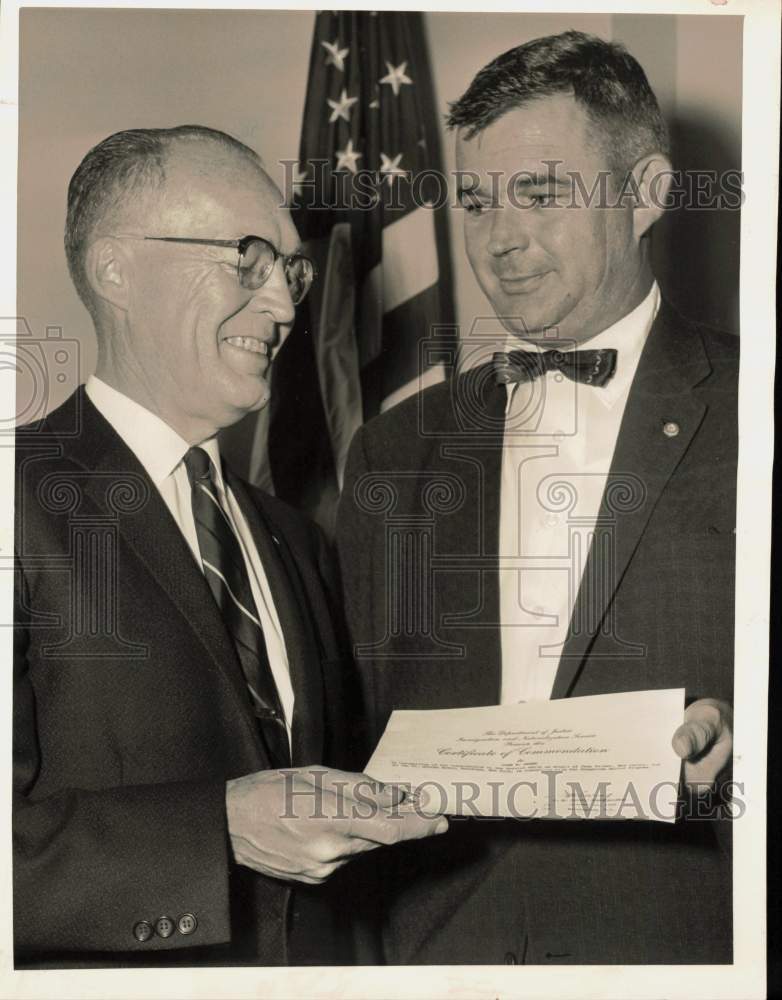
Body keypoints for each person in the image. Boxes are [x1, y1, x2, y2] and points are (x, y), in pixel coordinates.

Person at [337, 31, 736, 965]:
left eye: (543, 194)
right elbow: (354, 724)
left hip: (685, 942)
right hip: (440, 952)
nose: (499, 239)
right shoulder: (392, 449)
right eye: (476, 201)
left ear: (646, 195)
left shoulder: (756, 409)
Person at [13, 125, 446, 968]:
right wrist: (216, 830)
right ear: (116, 269)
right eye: (248, 259)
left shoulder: (294, 540)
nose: (287, 305)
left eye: (292, 269)